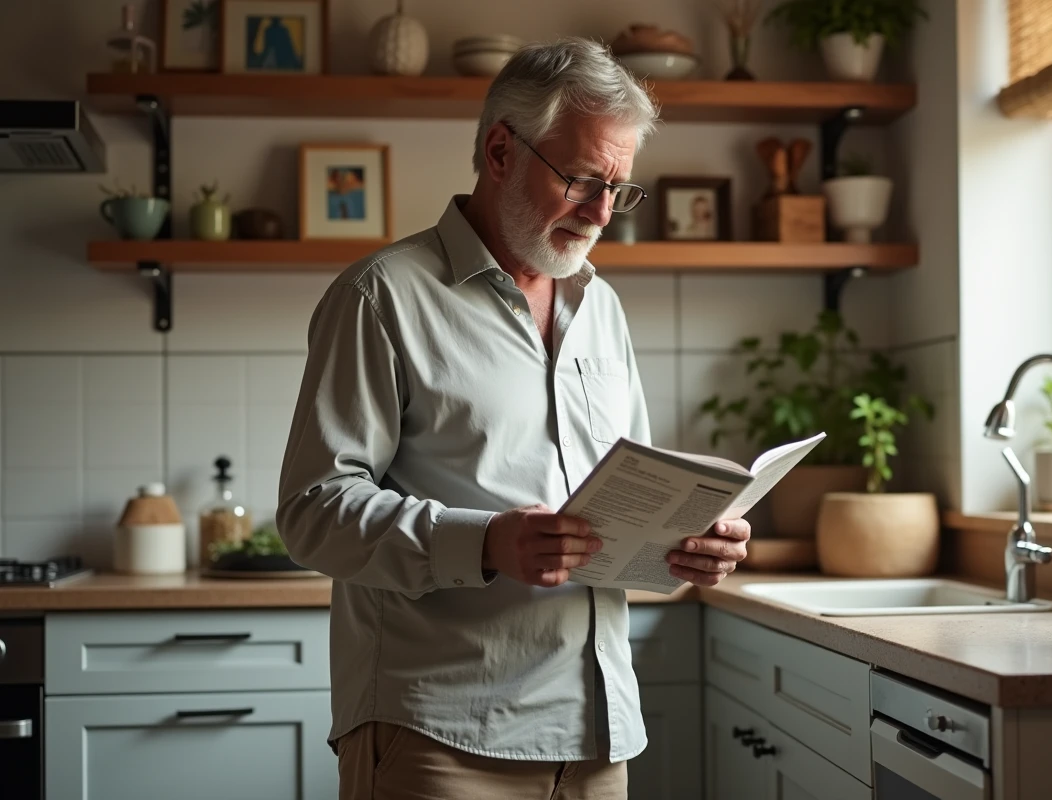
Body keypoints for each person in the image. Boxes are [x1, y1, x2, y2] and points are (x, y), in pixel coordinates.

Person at [276, 37, 751, 800]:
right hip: (440, 737)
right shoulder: (381, 297)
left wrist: (685, 544)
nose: (602, 213)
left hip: (598, 735)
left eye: (619, 189)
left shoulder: (602, 308)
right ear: (500, 151)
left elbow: (622, 504)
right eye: (582, 180)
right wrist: (487, 541)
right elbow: (313, 511)